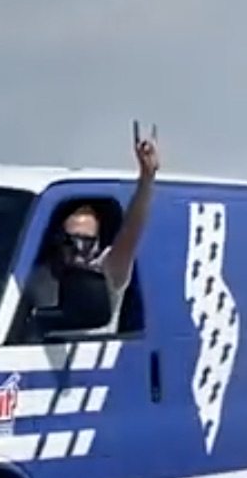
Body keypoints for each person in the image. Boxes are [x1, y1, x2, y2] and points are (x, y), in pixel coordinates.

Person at [24, 123, 160, 334]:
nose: (79, 251)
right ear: (58, 241)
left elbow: (131, 233)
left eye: (87, 242)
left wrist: (146, 179)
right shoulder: (37, 278)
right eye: (71, 242)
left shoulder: (105, 272)